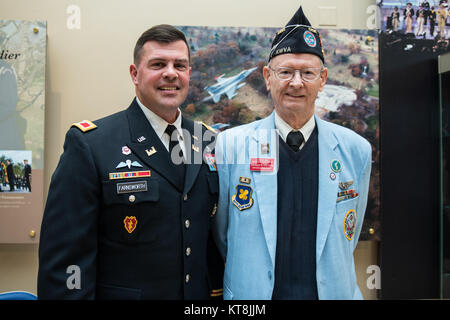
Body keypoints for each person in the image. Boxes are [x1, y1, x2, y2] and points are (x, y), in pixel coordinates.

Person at [38, 24, 223, 299]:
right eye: (158, 64)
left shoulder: (208, 142)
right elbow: (67, 260)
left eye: (179, 65)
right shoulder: (91, 144)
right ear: (135, 74)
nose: (170, 73)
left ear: (189, 74)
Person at [213, 6, 372, 300]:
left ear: (323, 79)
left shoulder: (356, 150)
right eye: (285, 72)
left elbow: (349, 233)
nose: (296, 83)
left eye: (307, 73)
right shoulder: (230, 147)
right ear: (267, 77)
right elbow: (223, 235)